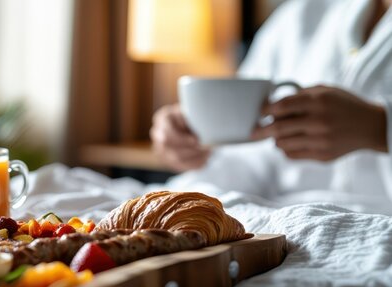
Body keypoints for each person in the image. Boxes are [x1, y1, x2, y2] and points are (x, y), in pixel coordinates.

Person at [150, 0, 392, 212]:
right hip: (280, 217)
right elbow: (250, 158)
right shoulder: (298, 18)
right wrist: (195, 147)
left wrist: (381, 129)